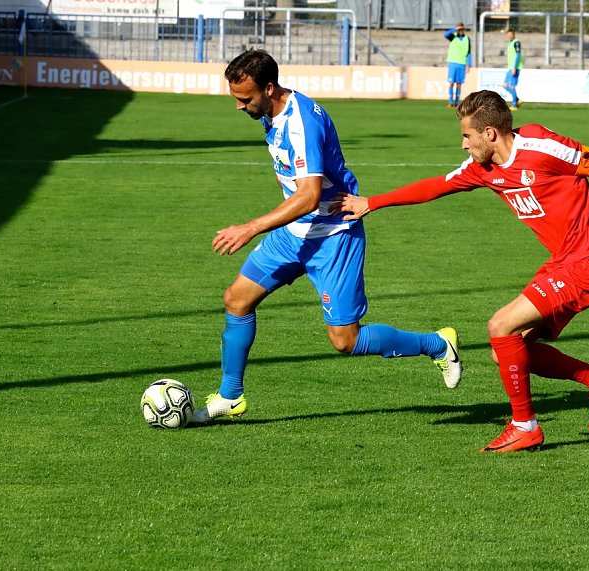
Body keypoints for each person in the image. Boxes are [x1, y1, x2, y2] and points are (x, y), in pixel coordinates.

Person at [335, 90, 589, 453]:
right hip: (566, 262)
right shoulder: (484, 170)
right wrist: (373, 202)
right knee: (507, 349)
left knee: (500, 326)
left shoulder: (542, 147)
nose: (464, 145)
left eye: (467, 136)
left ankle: (524, 426)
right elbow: (437, 186)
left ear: (490, 134)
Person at [190, 49, 462, 424]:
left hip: (334, 236)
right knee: (237, 300)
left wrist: (250, 227)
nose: (239, 106)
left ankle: (437, 344)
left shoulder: (301, 124)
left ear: (269, 89)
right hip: (294, 234)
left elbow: (308, 196)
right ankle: (230, 396)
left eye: (245, 98)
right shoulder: (273, 111)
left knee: (344, 341)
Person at [444, 22, 472, 109]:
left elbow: (468, 53)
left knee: (459, 84)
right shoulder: (453, 36)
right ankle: (450, 101)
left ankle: (457, 102)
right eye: (458, 29)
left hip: (462, 64)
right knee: (451, 83)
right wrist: (454, 29)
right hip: (453, 63)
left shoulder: (467, 39)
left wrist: (468, 65)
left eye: (461, 29)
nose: (460, 30)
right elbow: (445, 34)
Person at [502, 29, 523, 111]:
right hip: (510, 68)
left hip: (515, 68)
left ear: (514, 34)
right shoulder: (510, 43)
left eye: (510, 34)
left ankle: (514, 105)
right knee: (505, 85)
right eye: (508, 34)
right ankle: (517, 100)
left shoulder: (516, 42)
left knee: (511, 86)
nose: (509, 36)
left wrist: (514, 67)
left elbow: (517, 55)